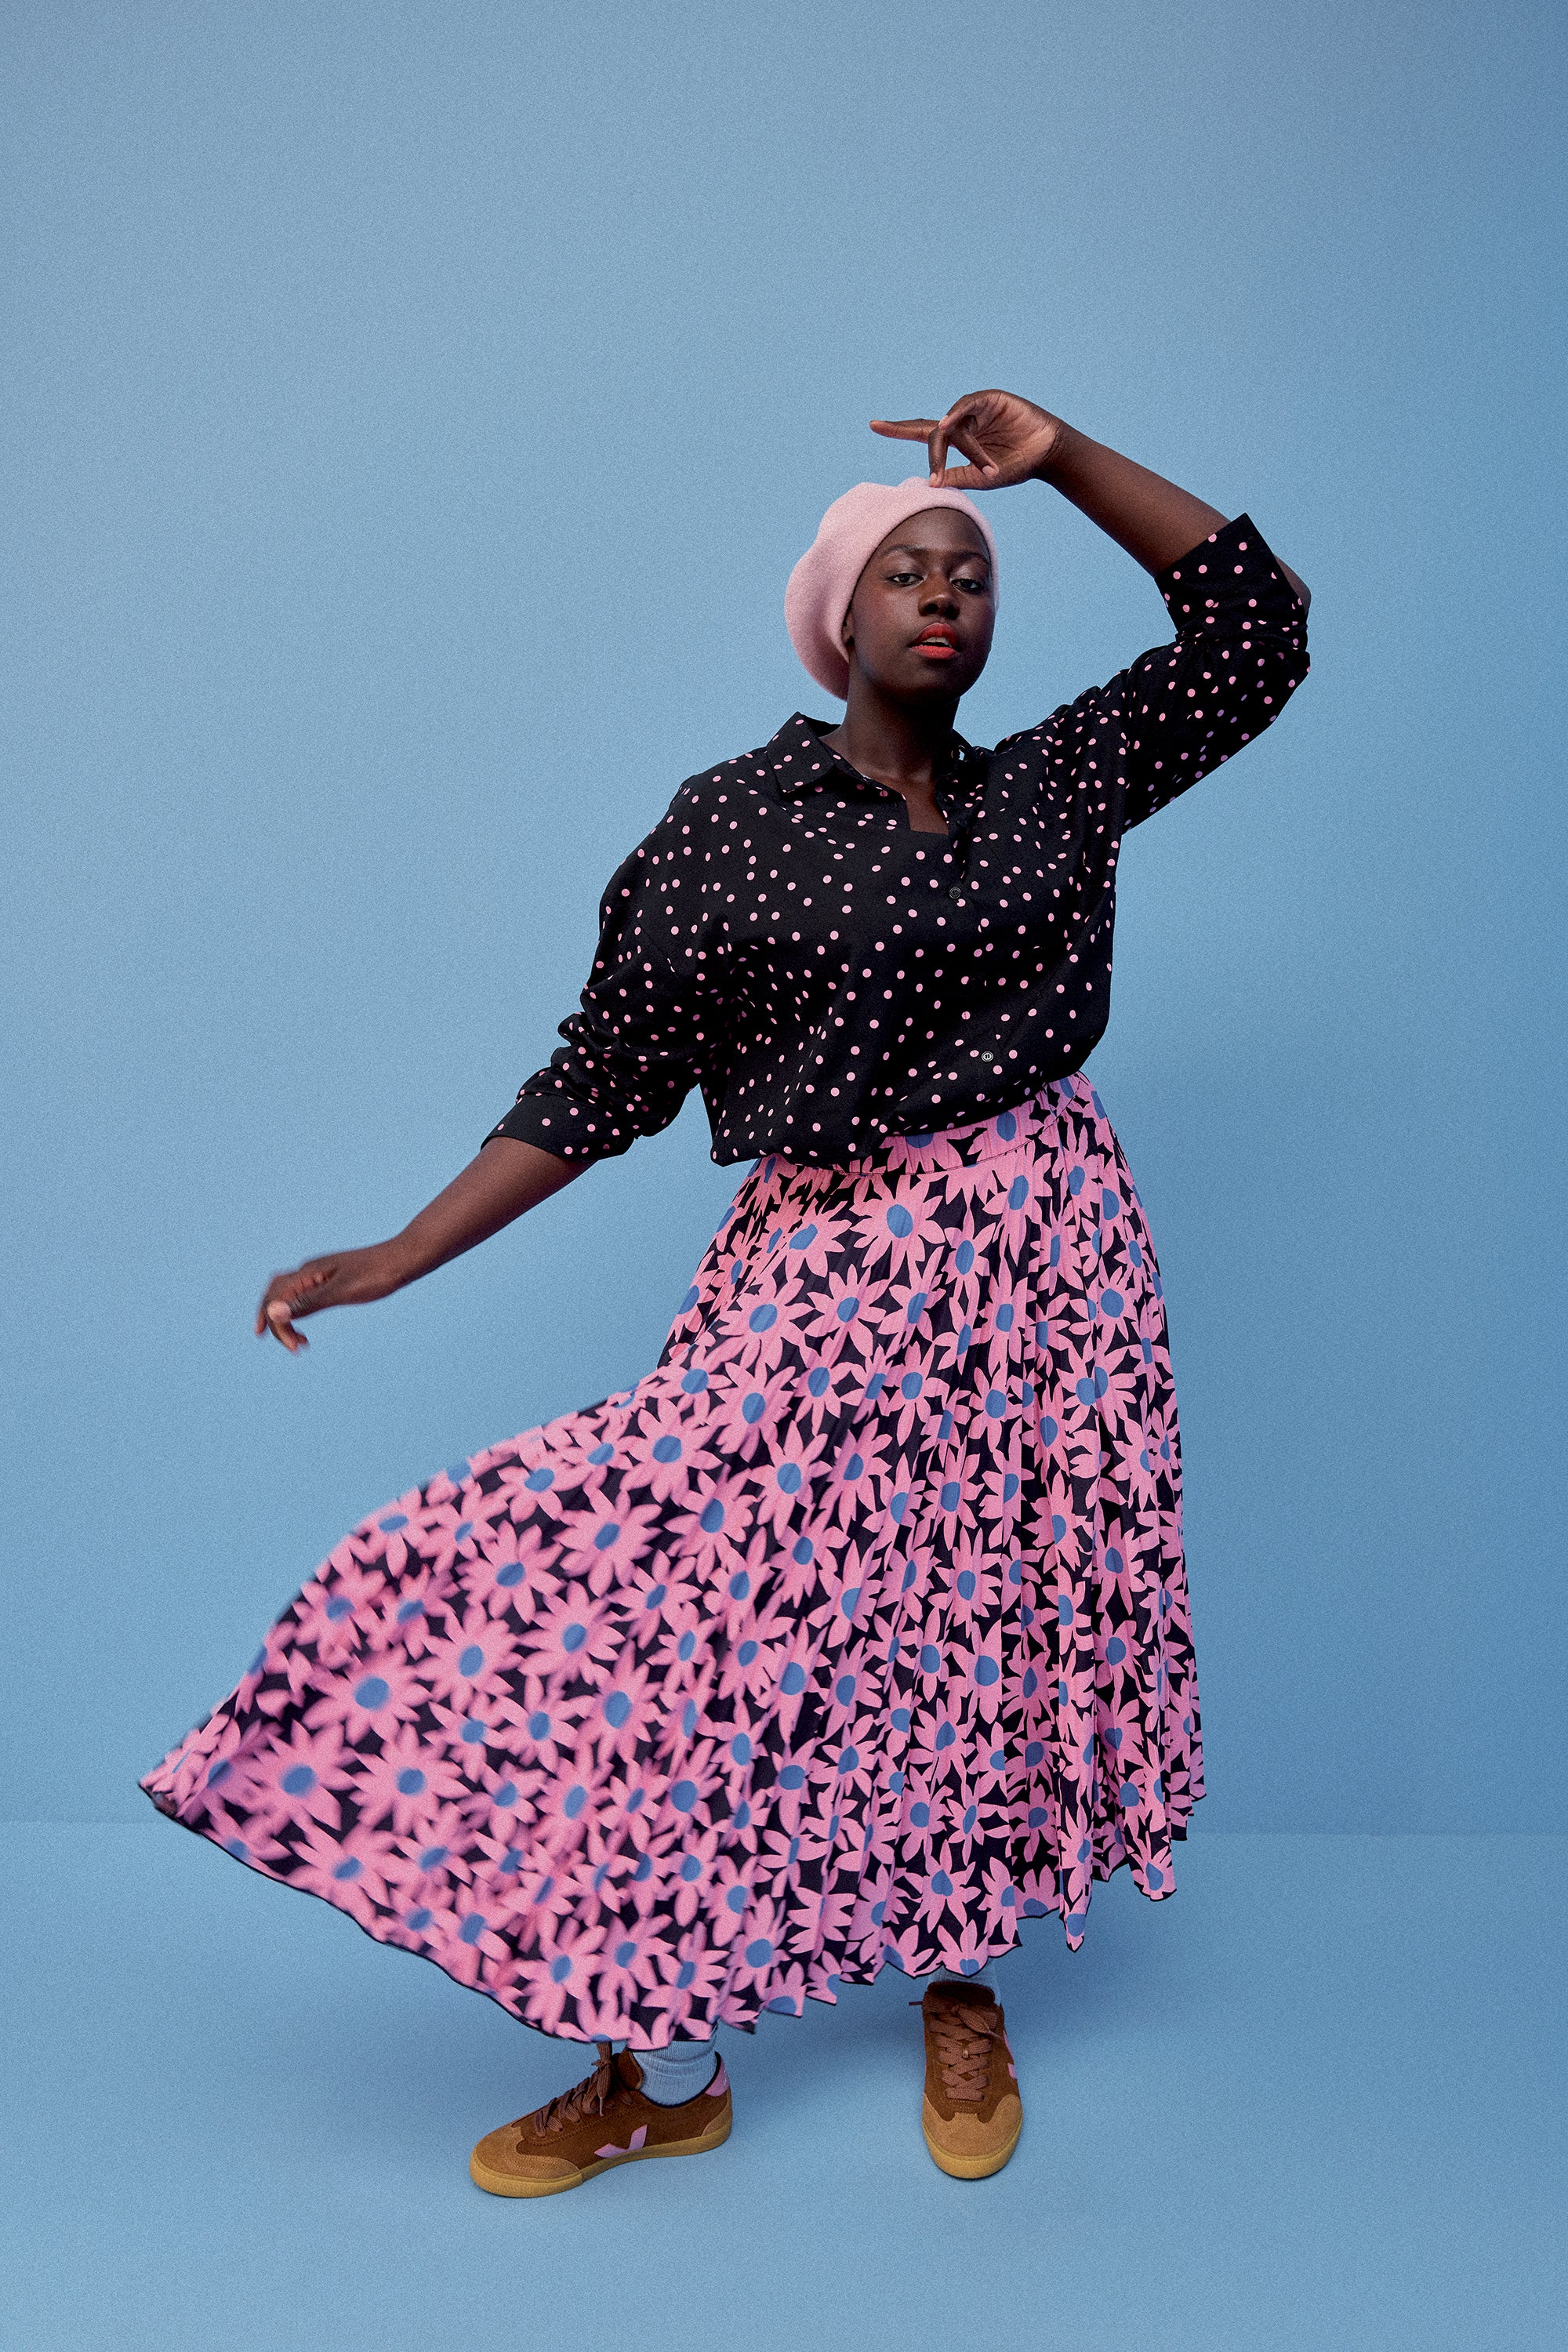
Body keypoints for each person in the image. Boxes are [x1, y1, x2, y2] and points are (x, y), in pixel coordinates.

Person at [142, 388, 1309, 2194]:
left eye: (970, 572)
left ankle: (960, 1981)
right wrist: (401, 1250)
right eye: (905, 570)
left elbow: (1253, 631)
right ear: (836, 613)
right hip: (829, 1267)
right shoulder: (733, 828)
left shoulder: (1054, 786)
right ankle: (657, 2063)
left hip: (1045, 1264)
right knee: (703, 1614)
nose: (943, 593)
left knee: (983, 1620)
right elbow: (605, 1075)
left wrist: (1063, 459)